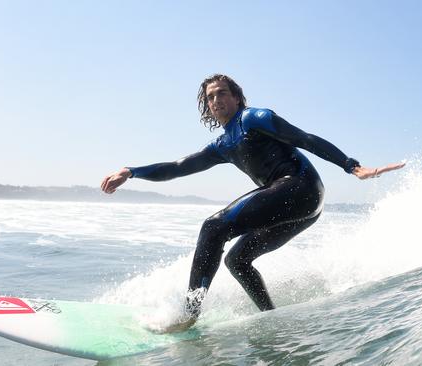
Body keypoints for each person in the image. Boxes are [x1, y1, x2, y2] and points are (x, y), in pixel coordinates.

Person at [101, 74, 405, 331]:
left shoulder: (254, 118)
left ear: (236, 98)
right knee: (237, 260)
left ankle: (189, 312)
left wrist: (352, 166)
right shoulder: (222, 145)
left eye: (222, 93)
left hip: (300, 188)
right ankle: (271, 318)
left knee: (213, 227)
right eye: (210, 97)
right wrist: (131, 172)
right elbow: (178, 167)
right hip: (303, 210)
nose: (216, 100)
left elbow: (305, 139)